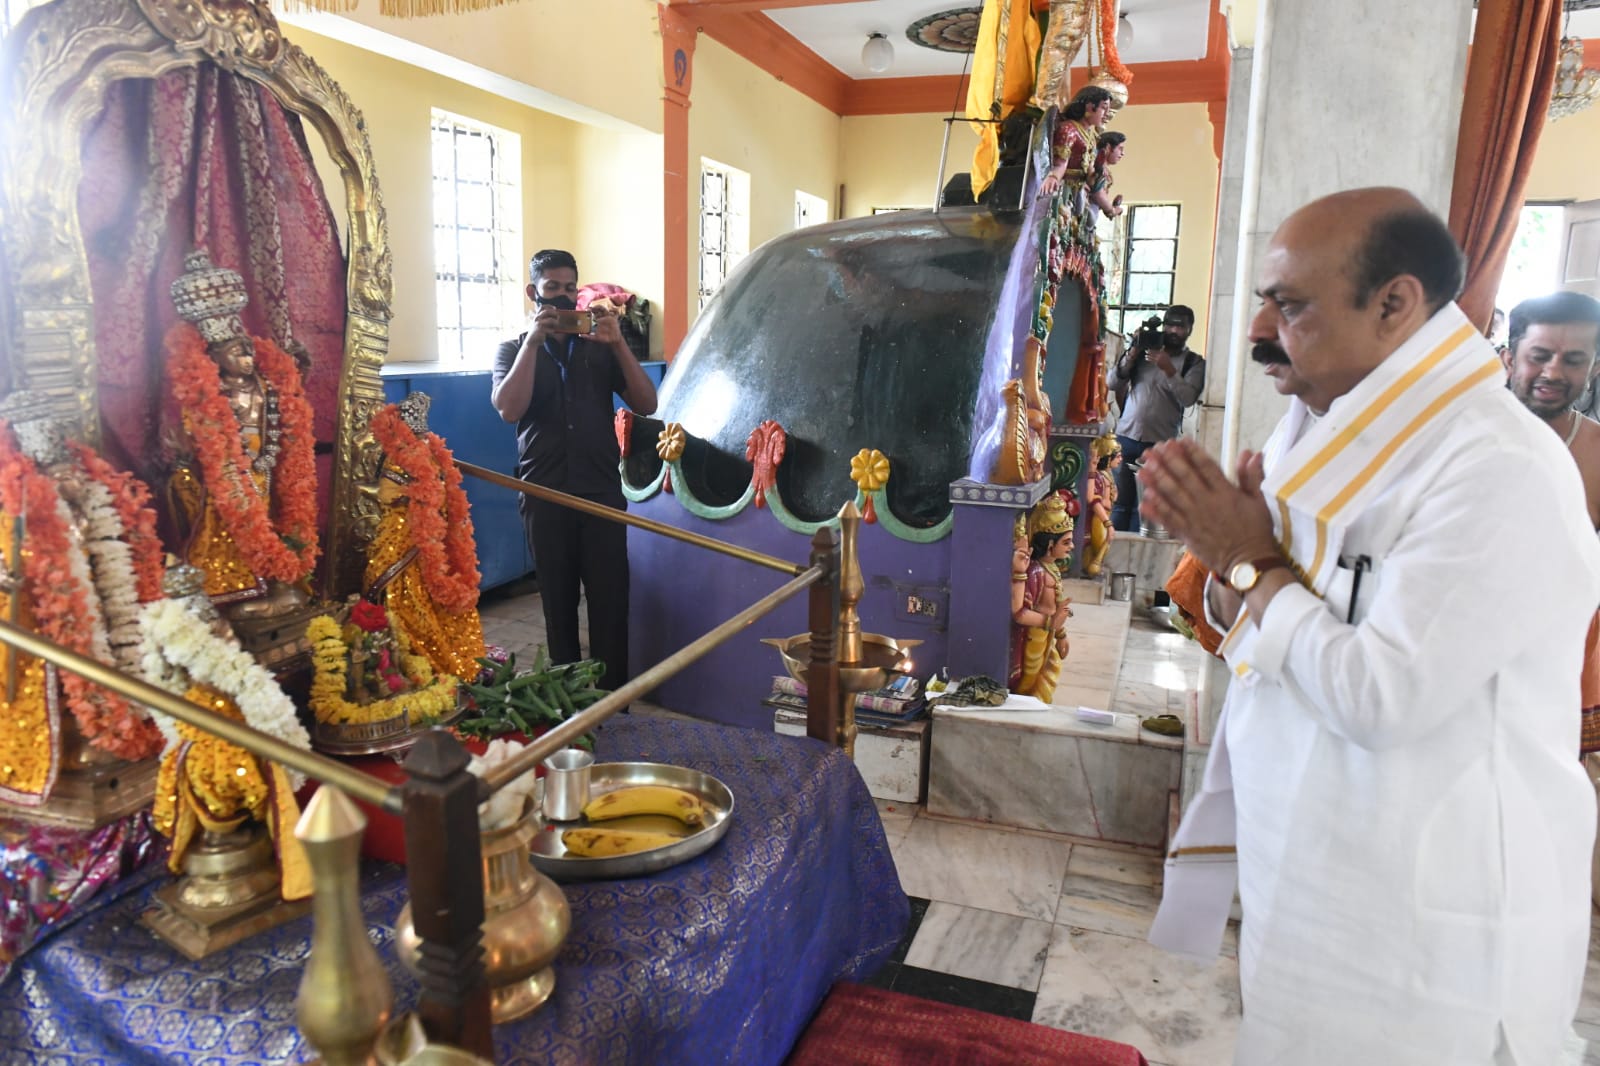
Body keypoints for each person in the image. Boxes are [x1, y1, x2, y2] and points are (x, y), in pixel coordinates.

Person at [1140, 188, 1600, 1065]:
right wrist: (1233, 568)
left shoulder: (1497, 467)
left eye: (1291, 305)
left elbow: (1380, 697)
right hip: (1313, 866)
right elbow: (1258, 631)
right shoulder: (1317, 431)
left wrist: (1248, 558)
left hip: (1425, 924)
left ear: (1395, 304)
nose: (1258, 331)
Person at [490, 249, 658, 694]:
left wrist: (618, 343)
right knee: (558, 604)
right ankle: (567, 703)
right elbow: (509, 409)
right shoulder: (513, 349)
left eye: (570, 289)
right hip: (544, 495)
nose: (563, 298)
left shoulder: (599, 349)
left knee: (610, 602)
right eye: (552, 288)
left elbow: (647, 403)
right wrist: (532, 343)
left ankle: (613, 705)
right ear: (533, 292)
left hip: (600, 492)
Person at [1109, 305, 1204, 531]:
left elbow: (1188, 398)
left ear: (1190, 329)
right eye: (1169, 324)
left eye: (1180, 326)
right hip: (1126, 437)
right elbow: (1112, 382)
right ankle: (1114, 549)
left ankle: (1135, 551)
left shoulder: (1193, 362)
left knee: (1144, 508)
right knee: (1118, 504)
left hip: (1159, 444)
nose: (1173, 330)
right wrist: (1132, 353)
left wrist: (1169, 369)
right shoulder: (1143, 353)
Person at [1038, 86, 1112, 200]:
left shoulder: (1092, 137)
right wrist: (1053, 177)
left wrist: (1098, 173)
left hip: (1079, 192)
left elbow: (1090, 172)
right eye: (1104, 108)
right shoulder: (1069, 130)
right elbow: (1060, 164)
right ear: (1089, 106)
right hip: (1063, 188)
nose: (1107, 114)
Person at [1089, 130, 1126, 219]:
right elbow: (1097, 193)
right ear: (1108, 147)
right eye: (1120, 149)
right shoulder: (1097, 167)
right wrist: (1111, 210)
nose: (1122, 153)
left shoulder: (1104, 170)